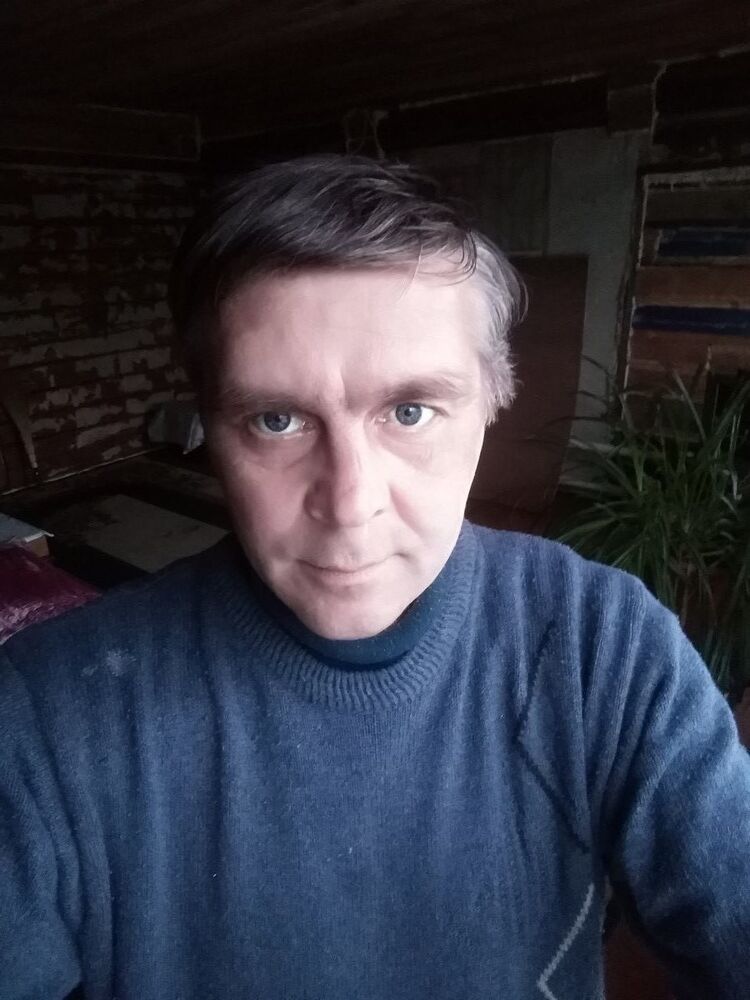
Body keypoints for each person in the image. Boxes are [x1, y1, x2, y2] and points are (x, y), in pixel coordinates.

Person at [1, 155, 748, 1000]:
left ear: (493, 401)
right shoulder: (46, 719)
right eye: (276, 420)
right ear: (208, 427)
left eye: (409, 411)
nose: (350, 504)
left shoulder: (602, 650)